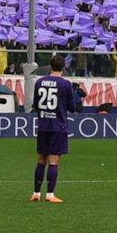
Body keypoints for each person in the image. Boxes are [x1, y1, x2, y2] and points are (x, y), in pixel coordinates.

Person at [31, 55, 78, 203]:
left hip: (43, 125)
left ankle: (36, 193)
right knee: (53, 161)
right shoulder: (66, 84)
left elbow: (36, 105)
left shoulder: (39, 82)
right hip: (58, 126)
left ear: (50, 66)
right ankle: (50, 195)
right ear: (63, 67)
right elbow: (72, 107)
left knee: (41, 159)